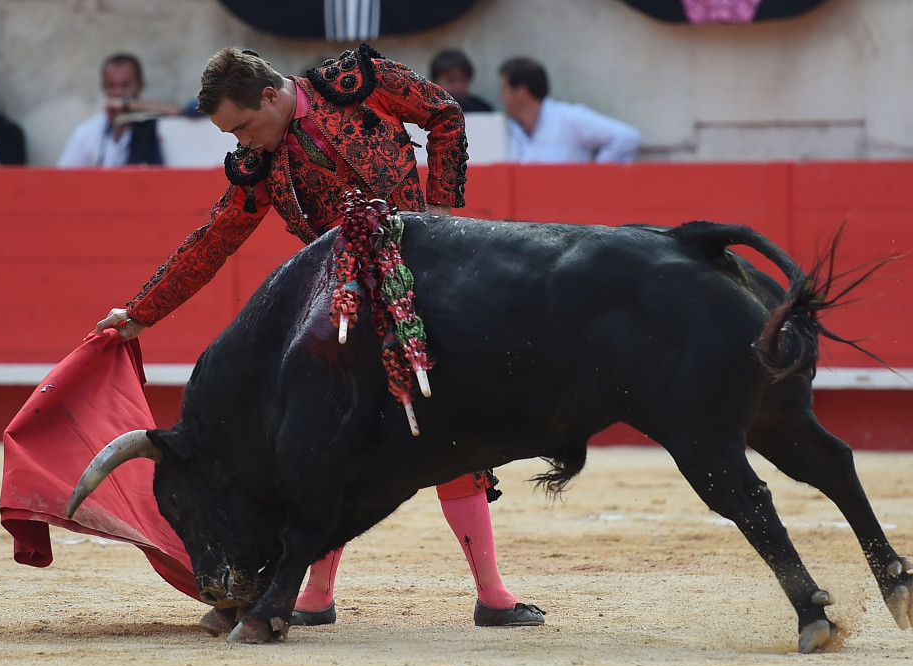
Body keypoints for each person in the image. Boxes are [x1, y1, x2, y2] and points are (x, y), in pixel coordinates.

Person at [92, 45, 545, 628]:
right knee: (325, 442)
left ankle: (493, 594)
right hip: (342, 307)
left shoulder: (357, 81)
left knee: (446, 430)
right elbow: (212, 241)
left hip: (422, 283)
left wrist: (440, 224)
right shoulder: (261, 164)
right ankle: (314, 595)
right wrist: (140, 312)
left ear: (271, 95)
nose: (244, 144)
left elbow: (444, 114)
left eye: (245, 127)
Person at [498, 56, 641, 163]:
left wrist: (595, 177)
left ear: (522, 92)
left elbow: (627, 136)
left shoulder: (569, 118)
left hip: (570, 201)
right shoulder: (504, 128)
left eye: (505, 90)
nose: (501, 97)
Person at [57, 53, 182, 167]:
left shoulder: (154, 125)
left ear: (141, 86)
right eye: (111, 86)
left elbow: (178, 112)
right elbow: (63, 178)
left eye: (125, 85)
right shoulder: (87, 132)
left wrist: (128, 105)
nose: (118, 93)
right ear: (103, 87)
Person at [430, 49, 494, 113]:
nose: (458, 87)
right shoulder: (425, 111)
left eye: (464, 80)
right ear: (434, 84)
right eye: (450, 81)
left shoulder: (483, 111)